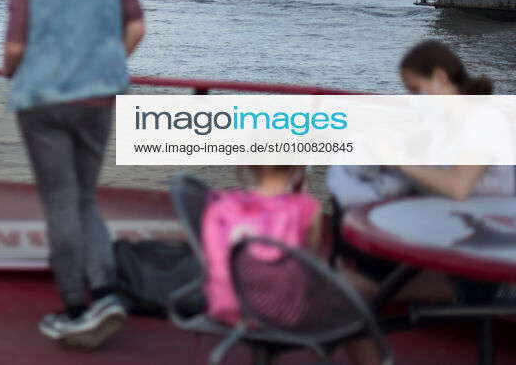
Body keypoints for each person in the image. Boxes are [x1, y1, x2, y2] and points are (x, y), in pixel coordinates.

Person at [3, 0, 145, 350]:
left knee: (61, 204)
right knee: (85, 198)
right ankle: (105, 292)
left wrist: (11, 71)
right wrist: (106, 66)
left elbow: (16, 46)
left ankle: (74, 308)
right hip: (98, 98)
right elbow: (137, 28)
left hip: (43, 102)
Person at [334, 40, 515, 365]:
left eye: (416, 90)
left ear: (440, 77)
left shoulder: (482, 123)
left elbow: (459, 187)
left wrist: (399, 160)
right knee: (347, 268)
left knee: (343, 291)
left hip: (484, 270)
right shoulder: (459, 123)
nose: (414, 102)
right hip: (464, 247)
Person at [201, 166, 321, 325]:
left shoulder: (221, 208)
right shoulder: (307, 207)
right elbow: (312, 261)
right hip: (285, 313)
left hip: (229, 307)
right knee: (358, 292)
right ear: (299, 168)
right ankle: (320, 349)